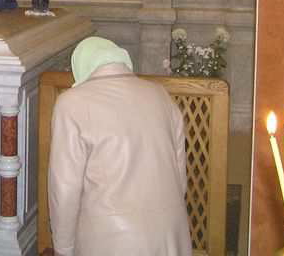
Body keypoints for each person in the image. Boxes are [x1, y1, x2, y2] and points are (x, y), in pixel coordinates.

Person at [48, 37, 191, 256]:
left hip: (112, 240)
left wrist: (62, 247)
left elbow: (65, 188)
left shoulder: (71, 103)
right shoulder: (160, 95)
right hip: (172, 232)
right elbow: (179, 178)